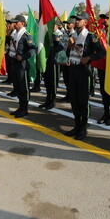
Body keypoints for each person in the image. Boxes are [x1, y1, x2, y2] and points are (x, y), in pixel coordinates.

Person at [64, 12, 106, 140]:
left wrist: (89, 58)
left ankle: (83, 128)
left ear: (85, 22)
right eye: (76, 19)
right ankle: (76, 125)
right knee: (74, 100)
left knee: (83, 101)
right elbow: (68, 53)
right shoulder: (73, 35)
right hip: (73, 69)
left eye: (79, 20)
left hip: (84, 71)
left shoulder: (90, 36)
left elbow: (102, 52)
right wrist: (69, 46)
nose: (76, 21)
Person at [8, 15, 36, 118]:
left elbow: (33, 50)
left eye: (17, 22)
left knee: (24, 88)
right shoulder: (15, 34)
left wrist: (23, 57)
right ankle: (20, 107)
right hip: (14, 63)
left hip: (22, 65)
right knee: (18, 87)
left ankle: (25, 109)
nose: (15, 24)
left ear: (22, 23)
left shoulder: (26, 35)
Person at [39, 20, 64, 110]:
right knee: (47, 81)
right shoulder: (47, 34)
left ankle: (52, 101)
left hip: (54, 61)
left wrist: (51, 50)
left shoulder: (58, 35)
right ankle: (48, 99)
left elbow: (61, 47)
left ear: (57, 26)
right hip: (47, 60)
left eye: (53, 25)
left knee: (53, 82)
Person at [60, 18, 76, 102]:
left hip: (71, 60)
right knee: (65, 78)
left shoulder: (74, 34)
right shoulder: (64, 33)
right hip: (64, 59)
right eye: (67, 23)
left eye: (69, 23)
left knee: (70, 79)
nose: (68, 25)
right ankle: (68, 94)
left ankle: (72, 96)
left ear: (73, 24)